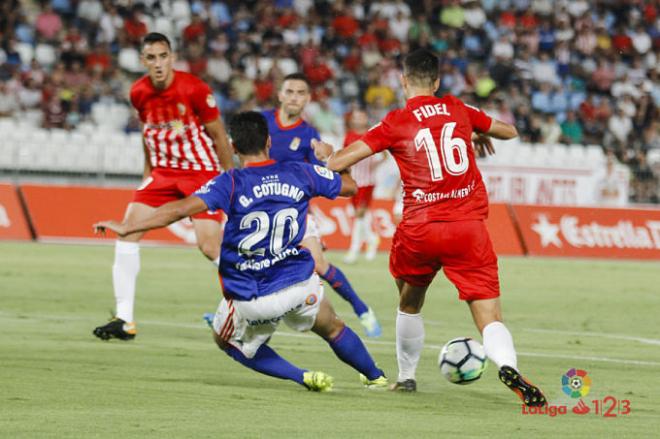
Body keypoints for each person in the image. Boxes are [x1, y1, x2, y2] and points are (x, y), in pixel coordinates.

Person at [93, 111, 388, 392]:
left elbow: (179, 209)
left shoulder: (230, 182)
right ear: (269, 142)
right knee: (333, 327)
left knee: (226, 341)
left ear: (233, 147)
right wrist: (331, 158)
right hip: (299, 283)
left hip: (253, 297)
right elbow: (350, 186)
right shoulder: (300, 172)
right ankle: (377, 377)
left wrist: (128, 227)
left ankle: (304, 376)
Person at [322, 49, 546, 406]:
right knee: (488, 314)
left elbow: (340, 162)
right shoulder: (459, 110)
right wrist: (471, 132)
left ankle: (407, 378)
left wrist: (326, 154)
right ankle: (507, 365)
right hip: (468, 228)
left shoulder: (396, 121)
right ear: (438, 82)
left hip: (421, 228)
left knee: (409, 303)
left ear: (403, 80)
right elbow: (509, 131)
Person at [93, 33, 234, 341]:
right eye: (151, 58)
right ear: (143, 61)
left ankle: (251, 300)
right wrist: (148, 175)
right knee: (127, 232)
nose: (158, 63)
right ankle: (124, 319)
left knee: (209, 246)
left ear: (172, 57)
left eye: (163, 56)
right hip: (163, 175)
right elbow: (149, 135)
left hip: (202, 173)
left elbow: (220, 137)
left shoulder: (194, 88)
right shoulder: (139, 93)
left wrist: (233, 179)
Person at [260, 73, 382, 337]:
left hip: (294, 213)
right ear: (280, 95)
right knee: (245, 263)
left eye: (300, 93)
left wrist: (331, 160)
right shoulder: (262, 122)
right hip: (259, 211)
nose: (294, 97)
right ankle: (232, 317)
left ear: (308, 99)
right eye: (289, 91)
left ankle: (362, 309)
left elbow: (325, 174)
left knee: (319, 264)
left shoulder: (308, 135)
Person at [342, 108, 384, 264]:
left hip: (367, 182)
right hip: (353, 181)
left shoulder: (371, 135)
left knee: (359, 215)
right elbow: (344, 156)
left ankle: (353, 250)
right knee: (361, 216)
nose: (358, 120)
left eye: (361, 116)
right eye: (356, 117)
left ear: (366, 118)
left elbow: (383, 154)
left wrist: (375, 164)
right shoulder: (349, 136)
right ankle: (372, 240)